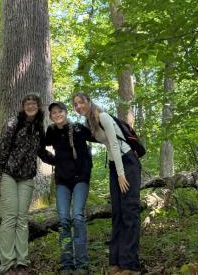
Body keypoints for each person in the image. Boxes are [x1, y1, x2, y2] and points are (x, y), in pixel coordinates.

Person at [72, 92, 141, 275]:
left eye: (81, 102)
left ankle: (131, 264)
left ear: (88, 102)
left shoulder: (102, 116)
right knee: (117, 212)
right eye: (75, 105)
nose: (78, 106)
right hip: (114, 165)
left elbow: (115, 144)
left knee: (130, 212)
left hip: (127, 163)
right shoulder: (89, 123)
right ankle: (116, 262)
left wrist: (120, 174)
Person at [0, 94, 54, 275]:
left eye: (34, 103)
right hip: (8, 175)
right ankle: (6, 265)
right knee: (10, 218)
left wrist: (60, 160)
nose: (31, 106)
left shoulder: (38, 127)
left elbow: (41, 151)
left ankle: (22, 262)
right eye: (27, 103)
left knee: (22, 219)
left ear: (38, 106)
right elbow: (0, 150)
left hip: (27, 178)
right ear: (23, 106)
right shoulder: (13, 123)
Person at [44, 101, 93, 275]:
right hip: (62, 182)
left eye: (60, 111)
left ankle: (81, 264)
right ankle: (66, 264)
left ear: (65, 112)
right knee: (64, 220)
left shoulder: (78, 128)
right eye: (53, 113)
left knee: (78, 217)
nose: (57, 115)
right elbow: (40, 147)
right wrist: (54, 161)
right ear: (51, 116)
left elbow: (98, 136)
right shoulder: (51, 131)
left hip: (80, 179)